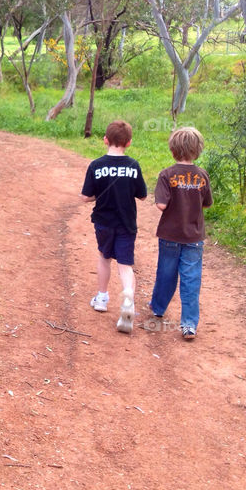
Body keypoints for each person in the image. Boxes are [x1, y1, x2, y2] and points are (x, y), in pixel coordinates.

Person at [145, 127, 213, 340]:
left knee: (166, 273)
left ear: (173, 150)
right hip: (194, 237)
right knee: (191, 278)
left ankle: (158, 307)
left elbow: (161, 205)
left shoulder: (167, 174)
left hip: (170, 235)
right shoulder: (202, 175)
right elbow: (208, 203)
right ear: (198, 150)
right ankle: (189, 325)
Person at [80, 120, 147, 333]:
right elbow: (143, 195)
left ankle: (101, 298)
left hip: (103, 223)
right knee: (125, 265)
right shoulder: (133, 166)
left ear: (105, 140)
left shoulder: (96, 165)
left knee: (104, 257)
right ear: (129, 142)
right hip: (127, 223)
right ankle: (128, 296)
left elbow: (85, 197)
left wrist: (97, 195)